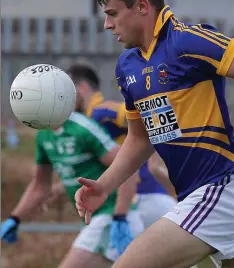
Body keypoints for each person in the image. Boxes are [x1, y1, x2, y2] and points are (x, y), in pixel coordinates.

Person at [74, 0, 234, 268]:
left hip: (221, 191)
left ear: (141, 6)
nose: (107, 24)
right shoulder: (128, 66)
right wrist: (105, 185)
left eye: (112, 13)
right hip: (207, 198)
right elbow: (139, 139)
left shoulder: (188, 42)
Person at [0, 112, 144, 268]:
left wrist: (120, 216)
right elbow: (40, 186)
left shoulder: (82, 128)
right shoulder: (43, 135)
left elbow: (129, 166)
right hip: (93, 220)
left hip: (110, 217)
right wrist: (15, 218)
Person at [66, 63, 178, 229]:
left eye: (66, 90)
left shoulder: (101, 112)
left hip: (145, 198)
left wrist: (155, 160)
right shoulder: (85, 122)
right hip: (137, 200)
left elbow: (154, 117)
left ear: (81, 88)